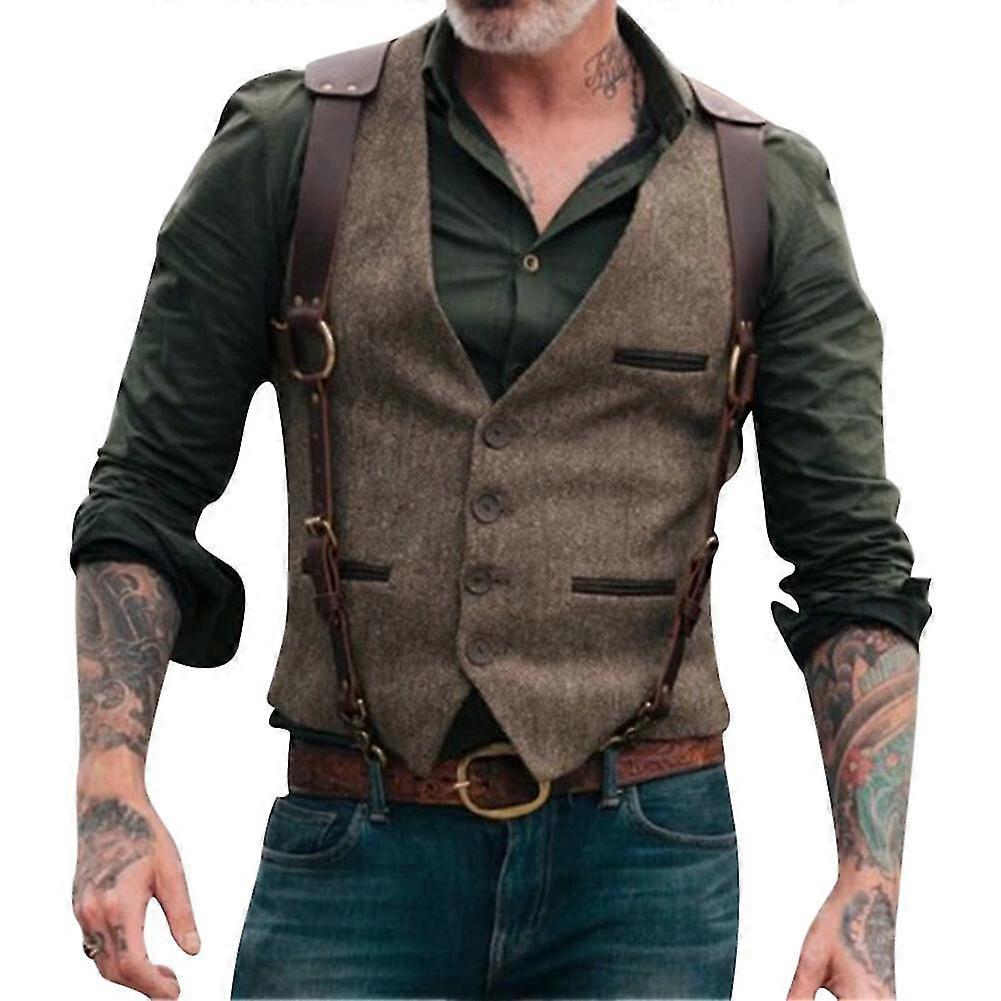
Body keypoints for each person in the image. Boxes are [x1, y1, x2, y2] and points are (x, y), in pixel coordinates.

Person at [69, 2, 932, 999]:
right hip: (353, 842)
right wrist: (109, 790)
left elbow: (850, 559)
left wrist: (868, 879)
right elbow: (145, 486)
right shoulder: (293, 143)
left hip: (645, 865)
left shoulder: (759, 187)